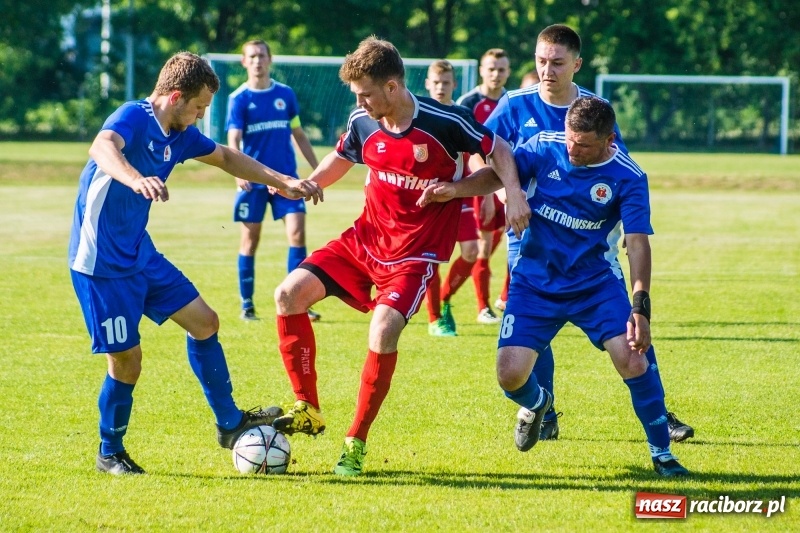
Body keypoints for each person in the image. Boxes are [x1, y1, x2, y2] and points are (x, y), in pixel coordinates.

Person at [269, 37, 529, 476]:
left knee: (383, 329)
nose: (359, 101)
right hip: (364, 241)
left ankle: (356, 441)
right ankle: (307, 406)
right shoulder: (362, 120)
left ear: (392, 87)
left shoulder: (445, 122)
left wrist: (495, 193)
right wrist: (309, 183)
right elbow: (341, 158)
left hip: (415, 255)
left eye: (365, 93)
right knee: (287, 294)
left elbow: (499, 153)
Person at [68, 52, 322, 475]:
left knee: (205, 322)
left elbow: (225, 157)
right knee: (128, 361)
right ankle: (109, 451)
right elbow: (102, 145)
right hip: (101, 262)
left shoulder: (180, 132)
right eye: (200, 107)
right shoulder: (134, 116)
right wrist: (134, 178)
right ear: (175, 96)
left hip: (139, 252)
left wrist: (284, 182)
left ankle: (229, 424)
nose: (202, 116)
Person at [419, 96, 690, 477]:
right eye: (569, 140)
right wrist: (457, 189)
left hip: (595, 284)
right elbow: (500, 172)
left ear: (609, 139)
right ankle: (538, 402)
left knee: (633, 359)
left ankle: (662, 453)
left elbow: (638, 242)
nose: (572, 149)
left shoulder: (628, 176)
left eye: (583, 145)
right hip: (533, 283)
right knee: (509, 375)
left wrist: (640, 306)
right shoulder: (545, 145)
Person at [483, 24, 694, 444]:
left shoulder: (595, 109)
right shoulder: (513, 105)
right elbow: (488, 151)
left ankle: (660, 414)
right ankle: (544, 409)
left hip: (589, 243)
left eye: (558, 63)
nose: (547, 71)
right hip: (528, 238)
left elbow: (620, 167)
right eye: (541, 61)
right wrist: (510, 193)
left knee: (629, 331)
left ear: (576, 64)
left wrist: (624, 224)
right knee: (532, 328)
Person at [226, 40, 321, 322]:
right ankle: (247, 304)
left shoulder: (285, 95)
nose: (257, 61)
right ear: (244, 62)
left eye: (262, 55)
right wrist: (238, 171)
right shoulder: (239, 99)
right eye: (252, 56)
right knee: (250, 241)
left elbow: (299, 134)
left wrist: (318, 170)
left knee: (297, 233)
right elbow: (233, 137)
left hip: (286, 181)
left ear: (270, 59)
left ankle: (298, 300)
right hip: (254, 181)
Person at [443, 48, 511, 328]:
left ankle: (506, 298)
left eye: (502, 69)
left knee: (509, 241)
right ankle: (481, 307)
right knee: (480, 247)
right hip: (478, 183)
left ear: (508, 72)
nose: (496, 74)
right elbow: (465, 151)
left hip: (505, 180)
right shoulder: (467, 102)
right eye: (491, 68)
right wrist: (482, 192)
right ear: (482, 70)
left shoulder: (511, 100)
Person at [421, 60, 479, 337]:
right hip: (429, 197)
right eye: (436, 82)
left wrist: (487, 194)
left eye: (446, 83)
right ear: (427, 84)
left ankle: (445, 298)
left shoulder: (461, 114)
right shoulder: (417, 115)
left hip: (459, 194)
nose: (441, 87)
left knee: (471, 252)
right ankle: (435, 319)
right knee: (430, 259)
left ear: (454, 85)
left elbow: (476, 154)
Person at [494, 68, 540, 313]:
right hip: (519, 213)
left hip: (563, 219)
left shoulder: (582, 105)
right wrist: (507, 192)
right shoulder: (513, 105)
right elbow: (480, 151)